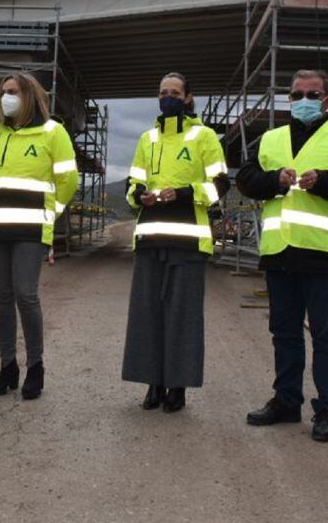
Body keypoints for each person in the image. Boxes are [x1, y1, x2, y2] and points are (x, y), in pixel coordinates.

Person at [237, 69, 328, 442]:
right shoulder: (271, 139)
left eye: (312, 95)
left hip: (323, 254)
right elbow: (246, 180)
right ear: (288, 99)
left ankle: (327, 409)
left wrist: (326, 181)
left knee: (326, 337)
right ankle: (286, 402)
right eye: (297, 94)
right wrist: (274, 181)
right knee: (284, 334)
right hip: (280, 254)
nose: (304, 101)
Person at [121, 73, 229, 413]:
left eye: (174, 92)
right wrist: (139, 195)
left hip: (187, 240)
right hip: (150, 237)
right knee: (147, 314)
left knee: (182, 316)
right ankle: (153, 384)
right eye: (162, 92)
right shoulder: (146, 138)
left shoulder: (205, 136)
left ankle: (177, 387)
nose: (167, 97)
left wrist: (184, 193)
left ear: (188, 98)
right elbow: (132, 183)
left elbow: (219, 185)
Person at [0, 73, 78, 400]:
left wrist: (49, 215)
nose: (7, 97)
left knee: (25, 294)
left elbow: (68, 181)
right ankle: (8, 367)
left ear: (30, 95)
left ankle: (35, 366)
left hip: (31, 230)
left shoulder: (53, 132)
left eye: (13, 92)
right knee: (2, 297)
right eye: (4, 92)